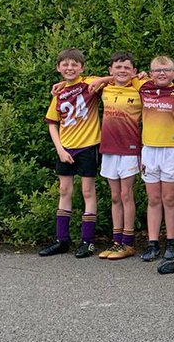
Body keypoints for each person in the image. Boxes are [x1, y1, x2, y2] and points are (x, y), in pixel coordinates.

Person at [40, 48, 101, 258]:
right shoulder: (58, 93)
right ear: (58, 68)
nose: (70, 68)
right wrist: (60, 149)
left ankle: (87, 241)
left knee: (87, 192)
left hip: (88, 145)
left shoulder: (90, 83)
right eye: (65, 64)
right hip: (66, 148)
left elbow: (115, 80)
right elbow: (52, 124)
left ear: (82, 67)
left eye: (74, 64)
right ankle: (62, 239)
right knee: (64, 191)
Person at [137, 56, 174, 262]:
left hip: (173, 150)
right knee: (153, 199)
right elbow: (117, 76)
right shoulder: (142, 87)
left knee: (169, 199)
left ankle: (172, 243)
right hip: (149, 150)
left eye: (166, 70)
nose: (161, 73)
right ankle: (152, 243)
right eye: (157, 70)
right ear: (150, 73)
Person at [95, 52, 143, 259]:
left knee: (126, 194)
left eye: (127, 68)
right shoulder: (104, 89)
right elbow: (83, 81)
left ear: (133, 72)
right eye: (118, 67)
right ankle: (117, 241)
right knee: (115, 196)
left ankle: (128, 242)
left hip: (130, 149)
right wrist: (105, 79)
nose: (122, 71)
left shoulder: (140, 89)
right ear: (110, 70)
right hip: (108, 149)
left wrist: (140, 77)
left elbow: (156, 82)